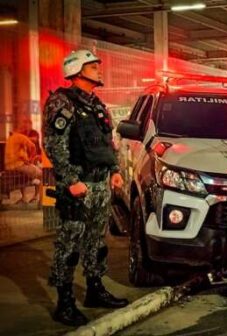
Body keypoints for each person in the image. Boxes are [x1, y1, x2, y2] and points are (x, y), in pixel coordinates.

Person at [43, 49, 128, 327]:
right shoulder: (61, 102)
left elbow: (108, 143)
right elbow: (55, 146)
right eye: (93, 66)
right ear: (77, 70)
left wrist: (114, 171)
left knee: (96, 242)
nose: (99, 70)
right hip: (77, 185)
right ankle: (64, 303)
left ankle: (94, 289)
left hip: (99, 184)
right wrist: (70, 181)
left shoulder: (97, 105)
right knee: (69, 245)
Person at [4, 115, 42, 201]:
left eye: (27, 123)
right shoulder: (21, 136)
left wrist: (30, 159)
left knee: (31, 170)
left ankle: (30, 195)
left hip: (18, 163)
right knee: (41, 174)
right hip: (20, 164)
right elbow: (32, 146)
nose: (25, 126)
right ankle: (35, 196)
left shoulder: (13, 137)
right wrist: (29, 160)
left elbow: (34, 140)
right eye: (24, 124)